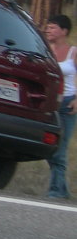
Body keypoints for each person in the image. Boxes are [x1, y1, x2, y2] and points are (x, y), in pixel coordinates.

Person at [45, 14, 76, 199]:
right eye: (48, 27)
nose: (49, 30)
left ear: (64, 31)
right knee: (50, 148)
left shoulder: (73, 52)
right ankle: (63, 191)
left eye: (53, 27)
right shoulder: (45, 51)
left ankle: (55, 192)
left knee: (61, 148)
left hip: (67, 104)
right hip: (49, 103)